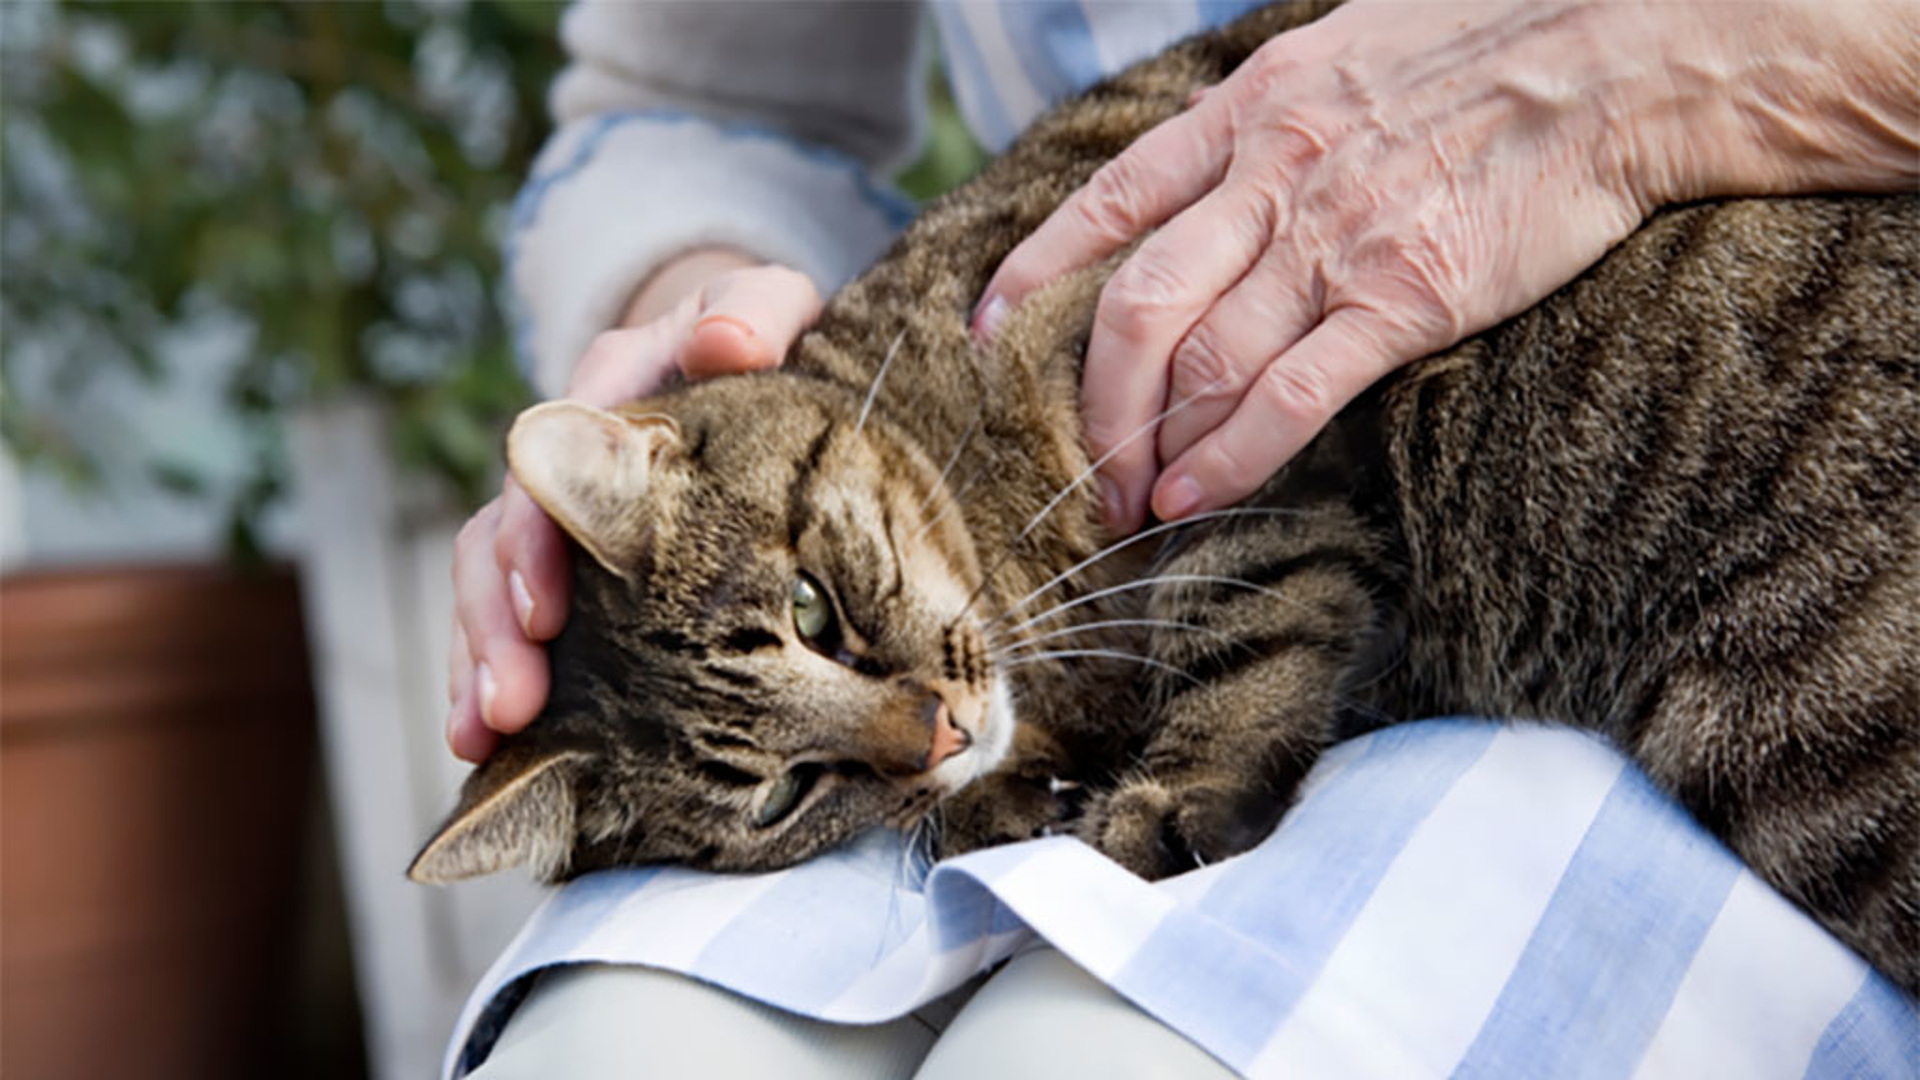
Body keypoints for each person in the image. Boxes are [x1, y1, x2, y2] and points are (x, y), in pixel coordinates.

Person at [445, 3, 1918, 1076]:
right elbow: (691, 106)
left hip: (1748, 366)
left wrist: (1675, 65)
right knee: (605, 1056)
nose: (913, 730)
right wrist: (702, 330)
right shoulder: (920, 543)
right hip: (1268, 634)